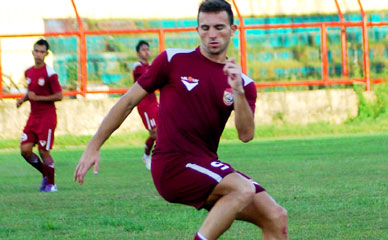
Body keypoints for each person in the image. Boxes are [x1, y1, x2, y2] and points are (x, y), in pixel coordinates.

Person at [74, 0, 288, 239]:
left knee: (276, 217)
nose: (212, 35)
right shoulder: (173, 61)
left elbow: (246, 135)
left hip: (205, 164)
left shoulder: (244, 83)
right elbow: (127, 102)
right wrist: (93, 146)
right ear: (197, 30)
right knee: (242, 188)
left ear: (233, 30)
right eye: (205, 28)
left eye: (219, 27)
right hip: (172, 165)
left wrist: (237, 91)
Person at [17, 39, 63, 192]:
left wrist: (38, 98)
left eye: (42, 52)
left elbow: (59, 95)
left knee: (44, 151)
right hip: (33, 117)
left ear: (46, 54)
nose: (38, 54)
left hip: (47, 117)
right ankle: (46, 174)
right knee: (25, 150)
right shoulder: (28, 72)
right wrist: (23, 100)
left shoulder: (50, 73)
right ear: (32, 52)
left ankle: (52, 184)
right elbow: (32, 91)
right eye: (36, 51)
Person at [132, 40, 159, 170]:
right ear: (138, 53)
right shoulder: (137, 66)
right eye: (143, 49)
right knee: (154, 133)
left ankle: (156, 157)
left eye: (147, 49)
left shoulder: (151, 66)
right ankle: (147, 156)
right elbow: (149, 79)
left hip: (153, 101)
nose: (146, 52)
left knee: (161, 131)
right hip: (144, 104)